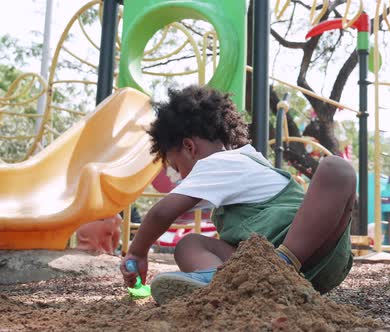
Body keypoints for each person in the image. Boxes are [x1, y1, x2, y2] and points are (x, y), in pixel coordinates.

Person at [120, 85, 356, 305]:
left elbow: (162, 213)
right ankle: (225, 282)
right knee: (190, 244)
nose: (181, 178)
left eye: (177, 166)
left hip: (305, 249)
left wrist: (137, 252)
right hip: (316, 268)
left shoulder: (216, 163)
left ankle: (280, 265)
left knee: (337, 169)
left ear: (190, 147)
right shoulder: (251, 160)